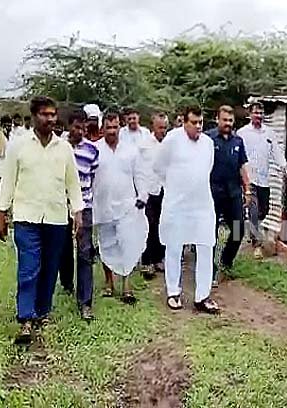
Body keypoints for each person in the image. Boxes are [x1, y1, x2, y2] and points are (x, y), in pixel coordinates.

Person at [0, 96, 84, 345]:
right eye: (45, 114)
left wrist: (77, 212)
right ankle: (25, 318)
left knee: (50, 268)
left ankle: (42, 311)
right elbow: (8, 180)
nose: (50, 119)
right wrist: (1, 211)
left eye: (53, 114)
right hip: (26, 217)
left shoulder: (64, 148)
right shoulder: (19, 146)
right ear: (34, 116)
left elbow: (73, 183)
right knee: (28, 268)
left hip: (56, 218)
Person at [154, 106, 219, 314]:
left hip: (202, 204)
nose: (198, 126)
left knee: (206, 246)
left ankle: (202, 296)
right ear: (184, 122)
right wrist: (174, 187)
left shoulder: (208, 143)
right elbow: (158, 167)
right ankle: (173, 292)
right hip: (177, 204)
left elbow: (207, 169)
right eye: (194, 123)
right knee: (174, 246)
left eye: (201, 123)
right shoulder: (172, 140)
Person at [92, 112, 149, 304]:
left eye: (115, 127)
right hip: (103, 205)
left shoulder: (131, 150)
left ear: (120, 127)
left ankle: (126, 284)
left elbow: (140, 174)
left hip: (126, 205)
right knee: (107, 244)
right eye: (108, 127)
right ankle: (109, 282)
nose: (112, 131)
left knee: (127, 243)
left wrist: (142, 196)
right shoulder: (95, 149)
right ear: (102, 128)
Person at [58, 110, 99, 321]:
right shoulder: (58, 147)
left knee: (84, 253)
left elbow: (92, 178)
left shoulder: (92, 150)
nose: (81, 131)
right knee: (63, 250)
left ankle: (85, 303)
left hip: (84, 207)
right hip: (60, 206)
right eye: (77, 127)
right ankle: (67, 283)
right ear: (69, 126)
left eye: (84, 128)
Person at [205, 105, 252, 285]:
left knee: (239, 229)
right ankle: (210, 270)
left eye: (230, 121)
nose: (227, 123)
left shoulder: (238, 141)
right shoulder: (208, 139)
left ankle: (226, 262)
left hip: (233, 192)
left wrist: (247, 189)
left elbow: (242, 166)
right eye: (224, 120)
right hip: (212, 192)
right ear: (217, 119)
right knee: (211, 233)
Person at [238, 102, 287, 259]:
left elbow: (276, 152)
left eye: (261, 113)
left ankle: (254, 229)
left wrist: (283, 166)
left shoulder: (269, 133)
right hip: (249, 177)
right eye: (256, 113)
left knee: (264, 210)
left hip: (264, 179)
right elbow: (239, 155)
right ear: (250, 114)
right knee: (253, 210)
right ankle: (257, 245)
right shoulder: (242, 133)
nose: (258, 116)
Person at [140, 113, 168, 278]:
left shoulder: (169, 144)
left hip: (165, 189)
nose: (162, 131)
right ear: (153, 127)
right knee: (150, 225)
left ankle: (159, 258)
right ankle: (147, 261)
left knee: (162, 225)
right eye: (160, 127)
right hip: (149, 190)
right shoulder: (144, 145)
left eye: (165, 127)